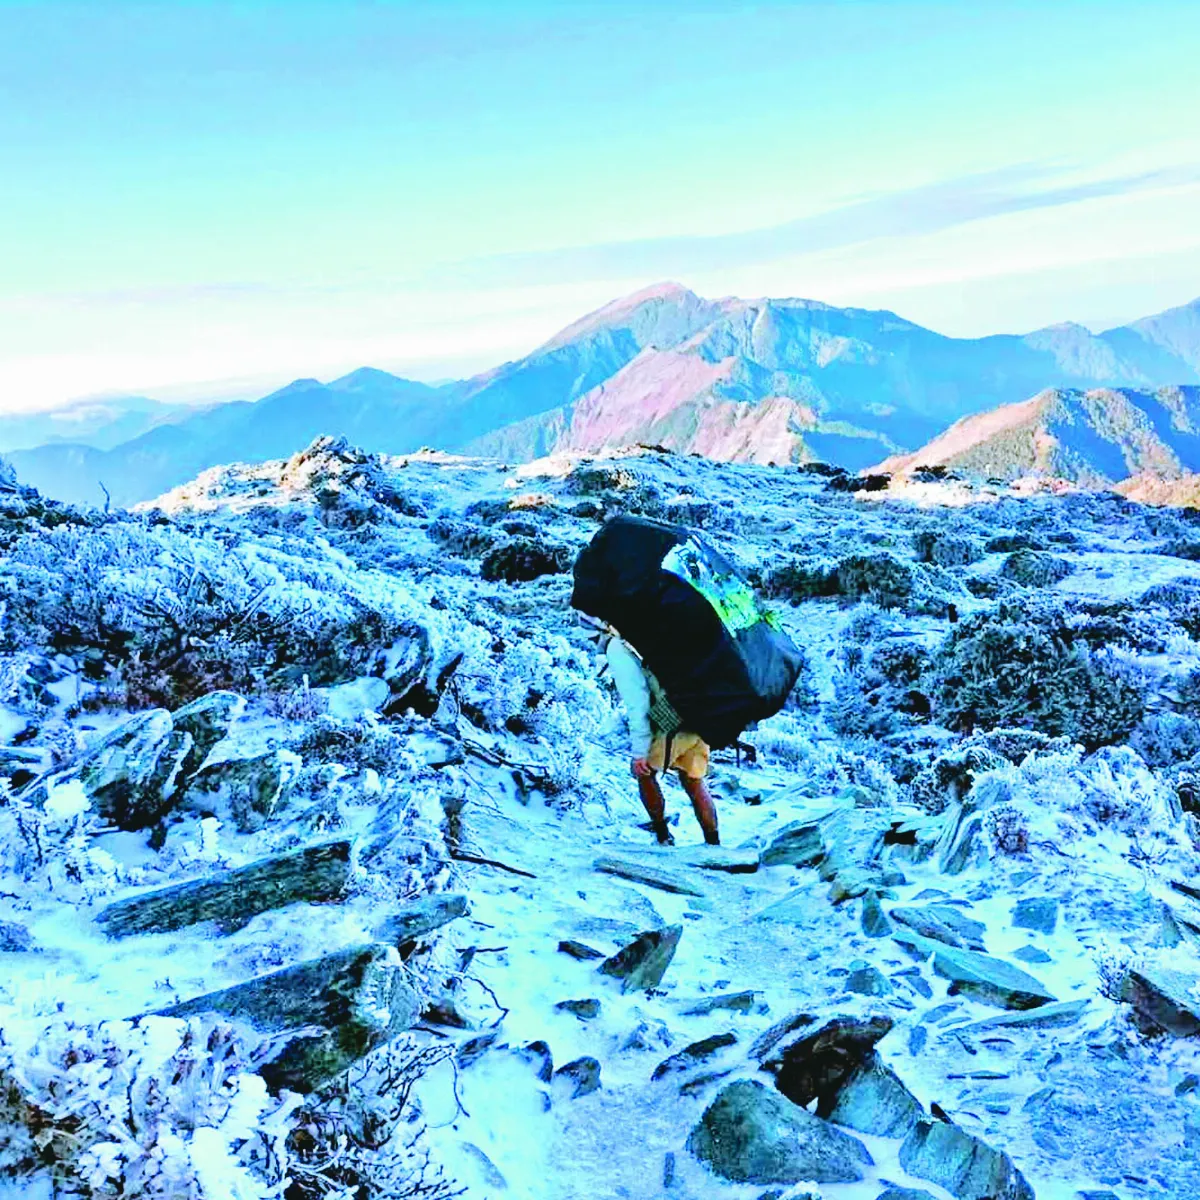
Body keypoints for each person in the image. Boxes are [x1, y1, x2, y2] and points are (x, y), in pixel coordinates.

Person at [604, 629, 720, 847]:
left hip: (672, 714)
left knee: (644, 772)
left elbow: (637, 704)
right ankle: (714, 844)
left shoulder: (618, 647)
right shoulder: (655, 629)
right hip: (700, 705)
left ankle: (662, 836)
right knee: (693, 779)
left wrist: (639, 753)